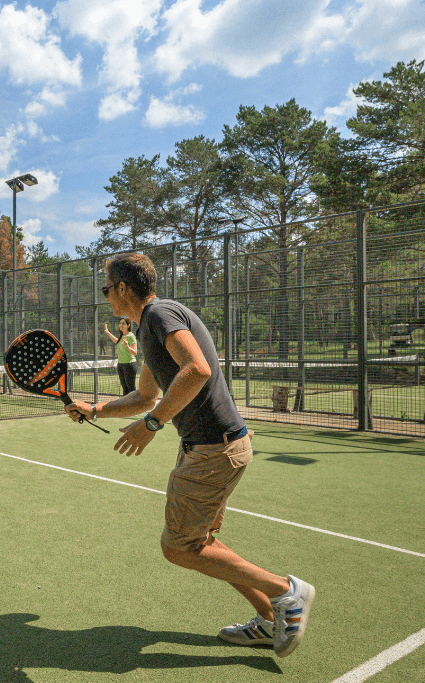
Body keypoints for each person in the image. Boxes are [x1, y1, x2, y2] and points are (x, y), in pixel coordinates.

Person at [65, 251, 315, 659]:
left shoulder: (160, 316)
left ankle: (287, 592)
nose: (106, 296)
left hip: (215, 450)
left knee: (179, 547)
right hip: (208, 447)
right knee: (203, 540)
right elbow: (146, 395)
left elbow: (196, 369)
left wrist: (151, 425)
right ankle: (270, 619)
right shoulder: (150, 325)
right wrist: (96, 409)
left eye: (107, 288)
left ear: (123, 289)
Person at [104, 317, 138, 395]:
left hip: (129, 364)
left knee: (131, 388)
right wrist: (108, 332)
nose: (121, 325)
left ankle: (134, 405)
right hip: (121, 365)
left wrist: (127, 347)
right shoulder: (122, 335)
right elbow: (117, 341)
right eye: (120, 323)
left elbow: (135, 353)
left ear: (128, 325)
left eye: (123, 323)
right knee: (125, 388)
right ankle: (125, 406)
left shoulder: (131, 336)